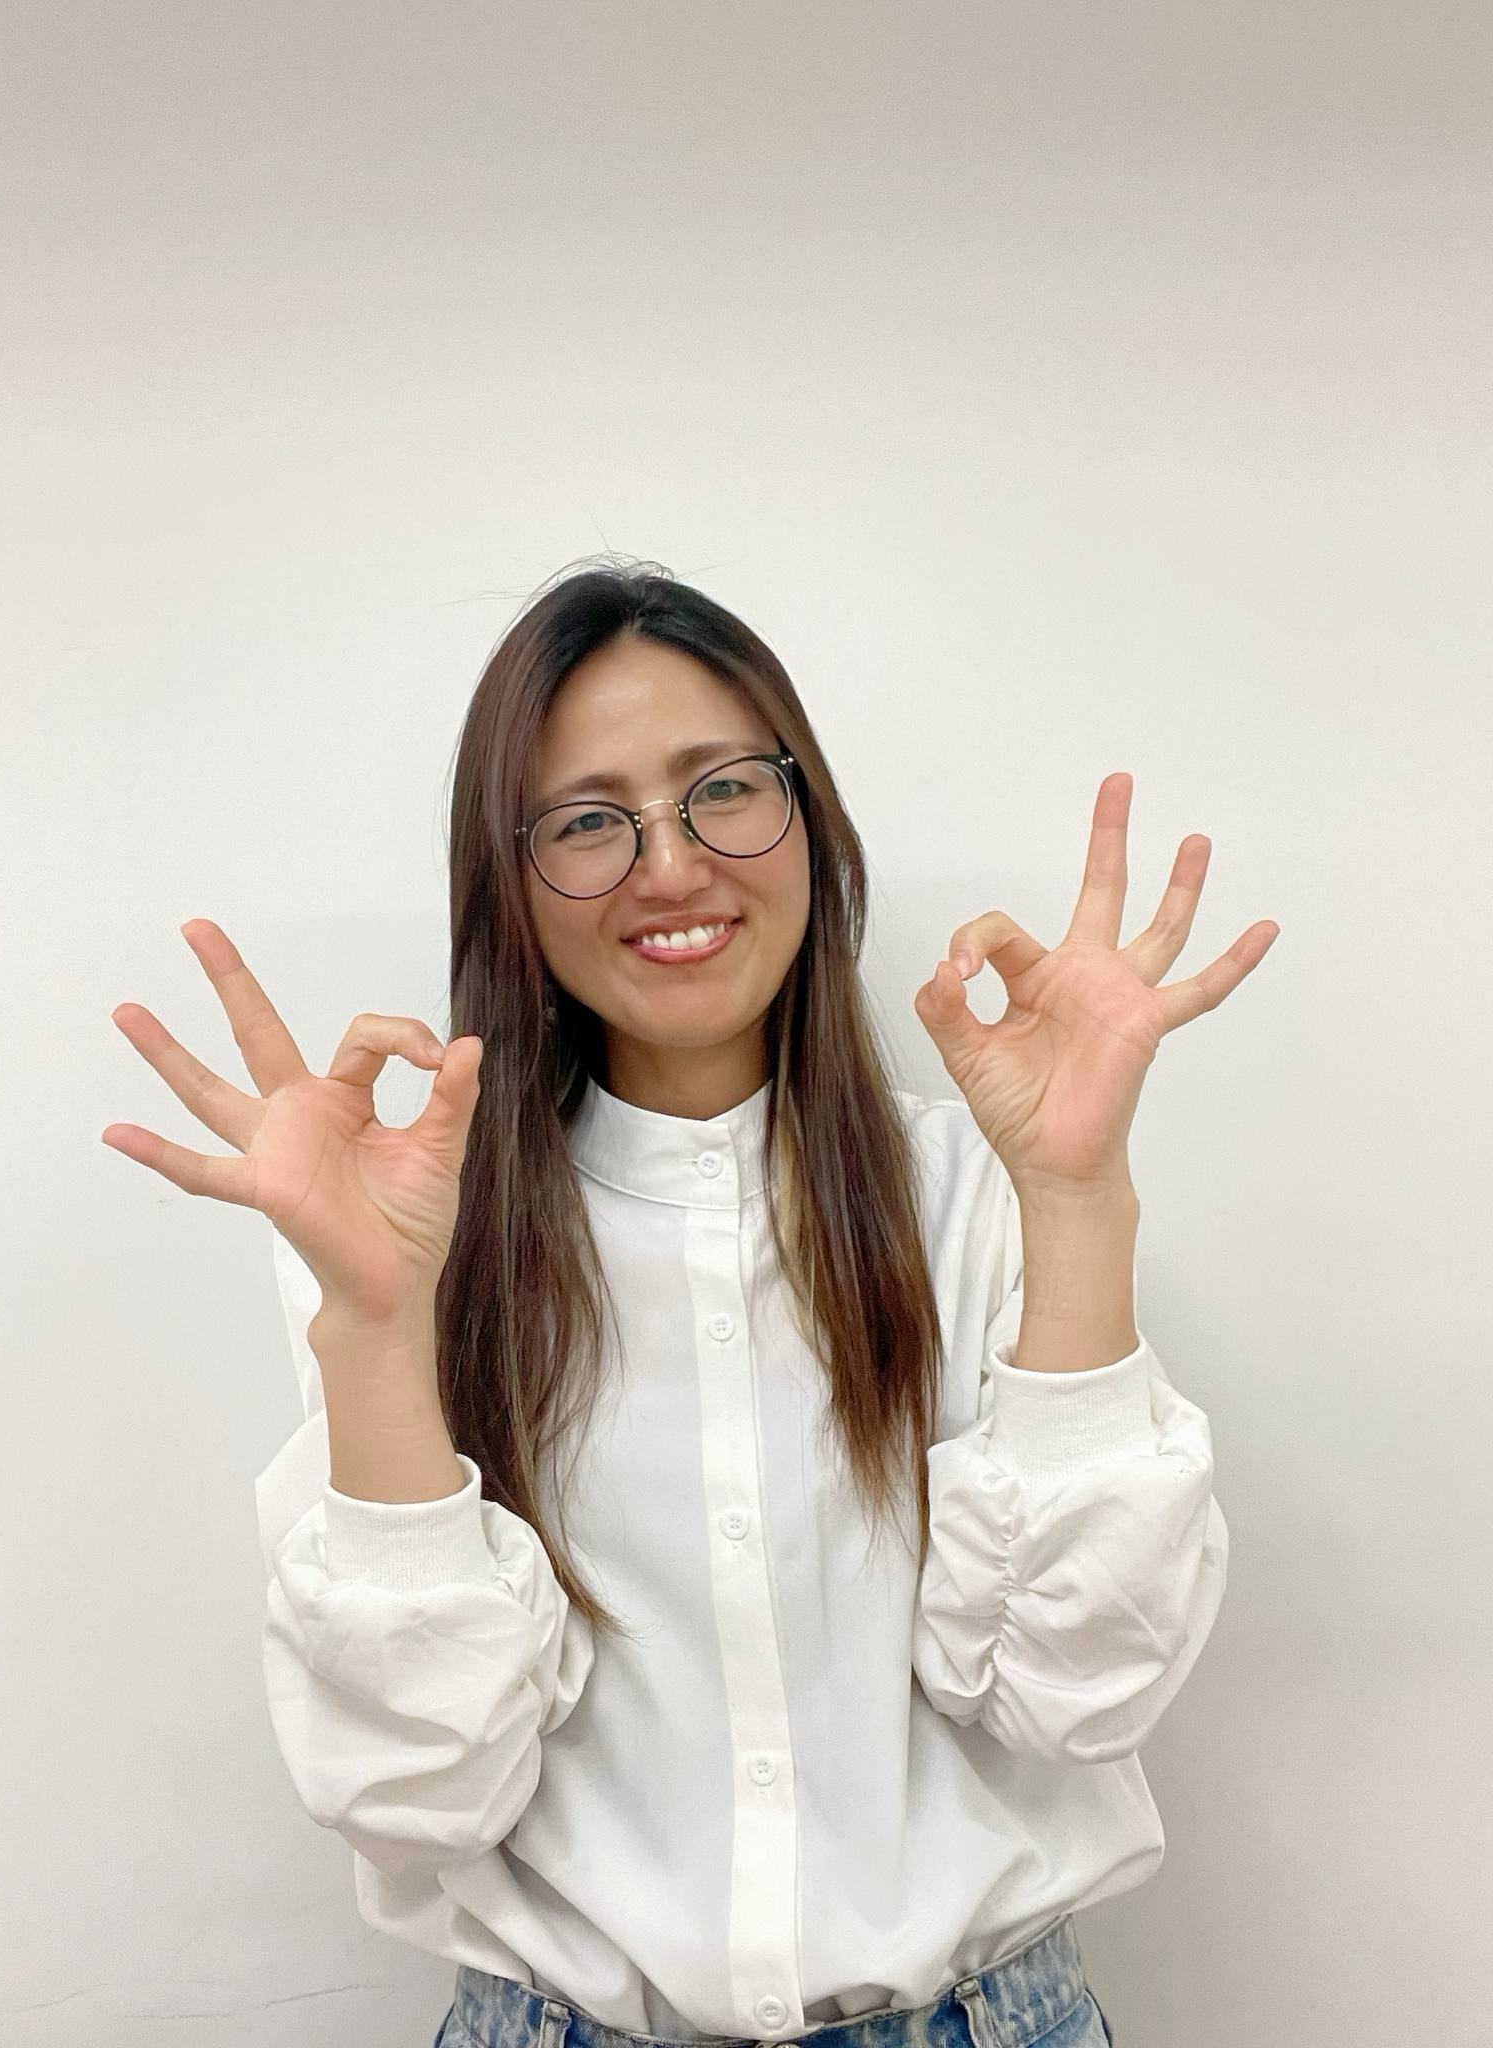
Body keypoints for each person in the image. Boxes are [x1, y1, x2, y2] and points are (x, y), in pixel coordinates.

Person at [104, 558, 1275, 2047]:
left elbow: (1075, 1697)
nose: (669, 867)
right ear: (510, 885)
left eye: (723, 790)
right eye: (588, 821)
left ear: (810, 819)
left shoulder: (972, 1192)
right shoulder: (405, 1237)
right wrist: (383, 1329)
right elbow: (422, 1797)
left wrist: (1079, 1196)